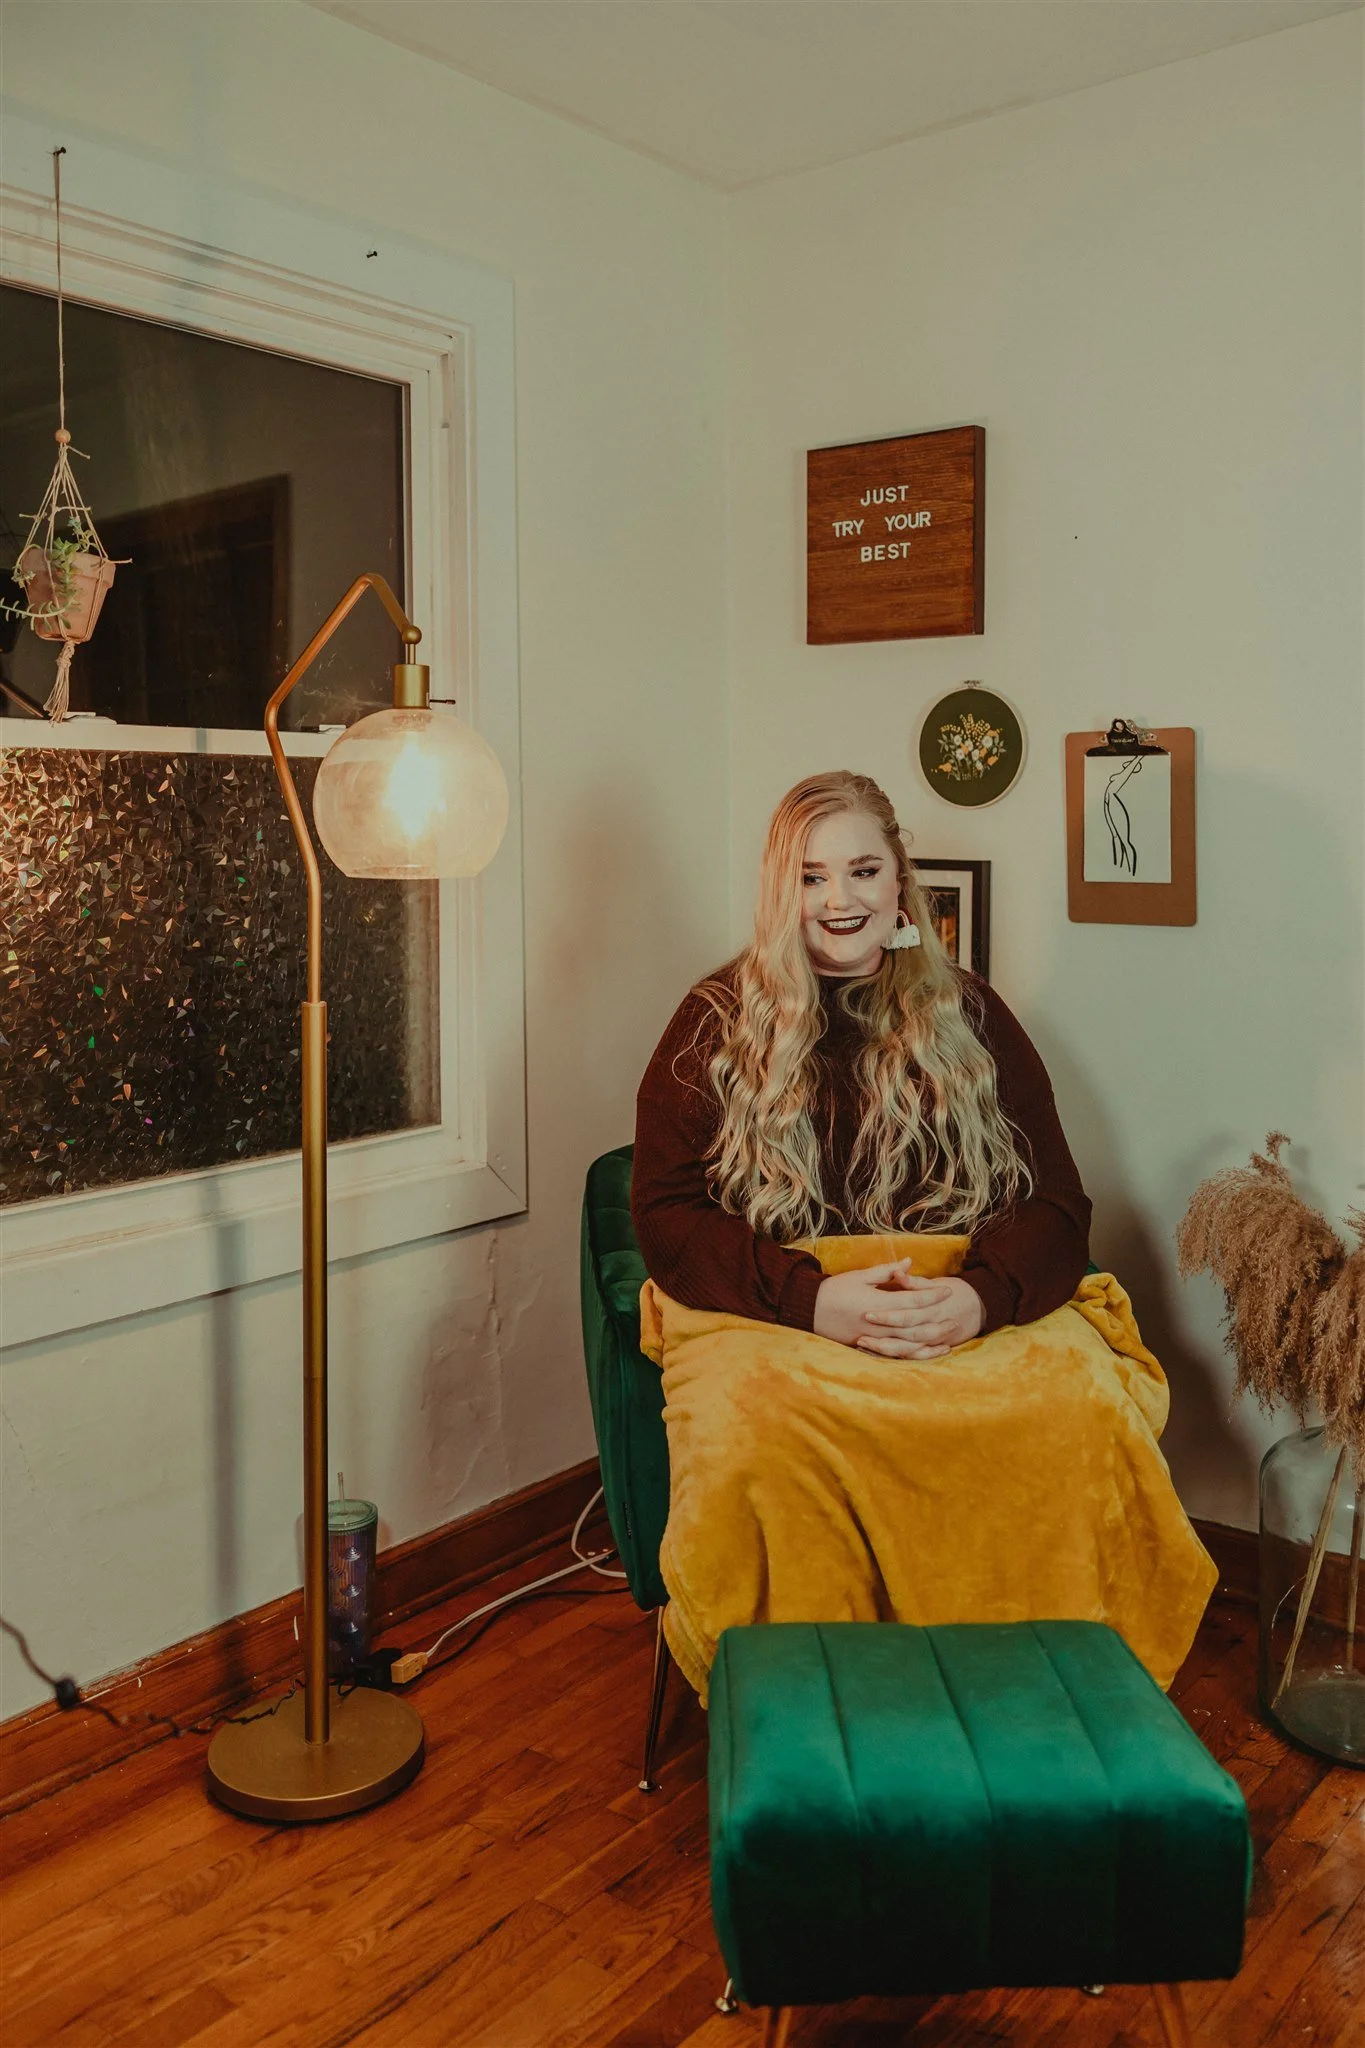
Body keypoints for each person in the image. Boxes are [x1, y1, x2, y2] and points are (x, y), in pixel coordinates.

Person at [631, 770, 1215, 1703]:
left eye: (862, 870)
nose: (839, 900)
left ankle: (1045, 1687)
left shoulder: (972, 1013)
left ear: (899, 880)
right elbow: (663, 1218)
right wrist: (813, 1301)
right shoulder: (710, 1021)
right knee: (751, 1437)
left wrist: (977, 1301)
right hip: (776, 1309)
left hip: (956, 1294)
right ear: (779, 890)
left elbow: (1057, 1202)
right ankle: (811, 1701)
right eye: (811, 877)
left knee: (1083, 1401)